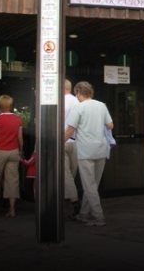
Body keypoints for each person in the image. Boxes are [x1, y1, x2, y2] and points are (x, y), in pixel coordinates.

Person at [65, 81, 113, 227]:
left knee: (89, 186)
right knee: (93, 185)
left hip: (85, 151)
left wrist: (57, 143)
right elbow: (110, 125)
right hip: (101, 149)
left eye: (76, 93)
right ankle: (84, 214)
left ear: (78, 92)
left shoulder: (79, 108)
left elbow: (70, 130)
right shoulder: (101, 105)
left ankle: (99, 217)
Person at [64, 80, 81, 217]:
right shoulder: (77, 102)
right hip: (75, 142)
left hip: (62, 140)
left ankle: (74, 200)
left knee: (65, 174)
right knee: (72, 172)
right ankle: (69, 196)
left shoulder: (58, 101)